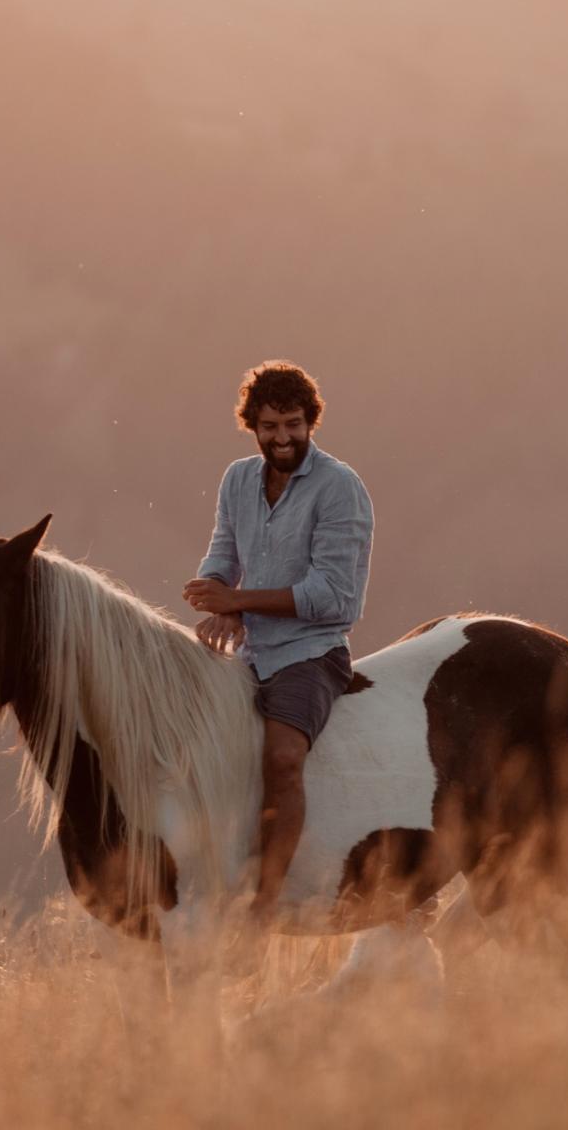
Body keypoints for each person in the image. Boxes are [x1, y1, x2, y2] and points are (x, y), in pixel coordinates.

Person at [184, 360, 375, 922]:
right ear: (253, 426)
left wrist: (239, 603)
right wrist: (217, 593)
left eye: (293, 424)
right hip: (247, 652)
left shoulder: (339, 486)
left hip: (311, 653)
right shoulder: (237, 479)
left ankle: (266, 901)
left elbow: (335, 596)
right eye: (270, 426)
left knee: (283, 757)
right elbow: (223, 554)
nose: (282, 437)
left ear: (310, 421)